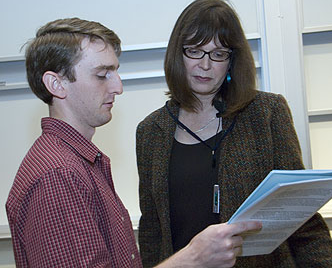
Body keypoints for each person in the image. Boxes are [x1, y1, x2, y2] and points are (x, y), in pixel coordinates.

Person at [6, 17, 261, 268]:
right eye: (102, 75)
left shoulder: (79, 163)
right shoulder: (58, 176)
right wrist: (193, 258)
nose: (118, 87)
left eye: (115, 72)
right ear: (56, 84)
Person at [136, 0, 332, 268]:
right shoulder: (151, 131)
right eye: (195, 51)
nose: (205, 65)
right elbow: (152, 230)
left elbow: (301, 217)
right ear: (177, 53)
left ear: (232, 60)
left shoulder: (266, 113)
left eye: (218, 54)